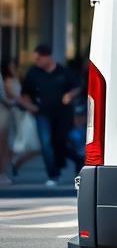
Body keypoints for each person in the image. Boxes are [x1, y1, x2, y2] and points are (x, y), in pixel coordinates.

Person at [19, 44, 82, 187]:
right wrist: (30, 107)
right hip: (43, 114)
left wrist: (70, 95)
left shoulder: (64, 72)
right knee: (46, 144)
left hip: (63, 114)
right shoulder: (33, 73)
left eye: (39, 58)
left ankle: (78, 160)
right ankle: (53, 175)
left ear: (48, 56)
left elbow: (78, 87)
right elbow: (24, 96)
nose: (37, 61)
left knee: (59, 142)